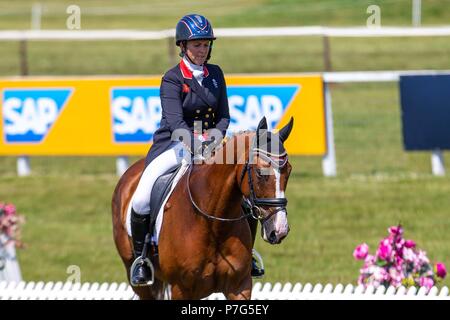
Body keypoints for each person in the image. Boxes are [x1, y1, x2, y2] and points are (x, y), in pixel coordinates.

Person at [129, 14, 264, 287]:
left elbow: (224, 116)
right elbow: (176, 121)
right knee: (141, 198)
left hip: (213, 144)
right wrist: (196, 144)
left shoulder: (216, 74)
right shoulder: (172, 79)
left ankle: (246, 254)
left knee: (245, 193)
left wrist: (214, 139)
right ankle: (142, 257)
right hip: (174, 144)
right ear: (183, 46)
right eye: (196, 45)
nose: (202, 51)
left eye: (205, 45)